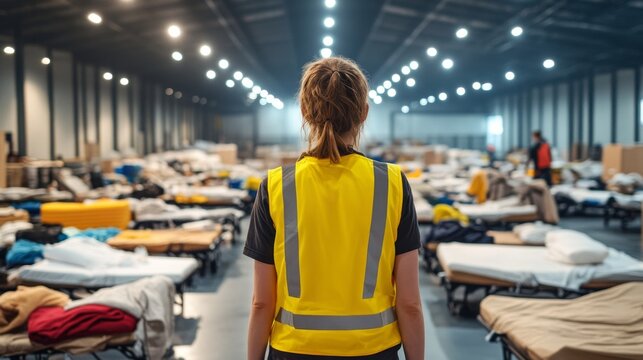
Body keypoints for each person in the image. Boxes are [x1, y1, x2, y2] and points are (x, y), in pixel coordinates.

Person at [244, 57, 425, 360]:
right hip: (373, 350)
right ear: (364, 113)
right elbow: (409, 303)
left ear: (304, 111)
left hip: (294, 350)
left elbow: (262, 302)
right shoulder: (392, 183)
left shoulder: (275, 185)